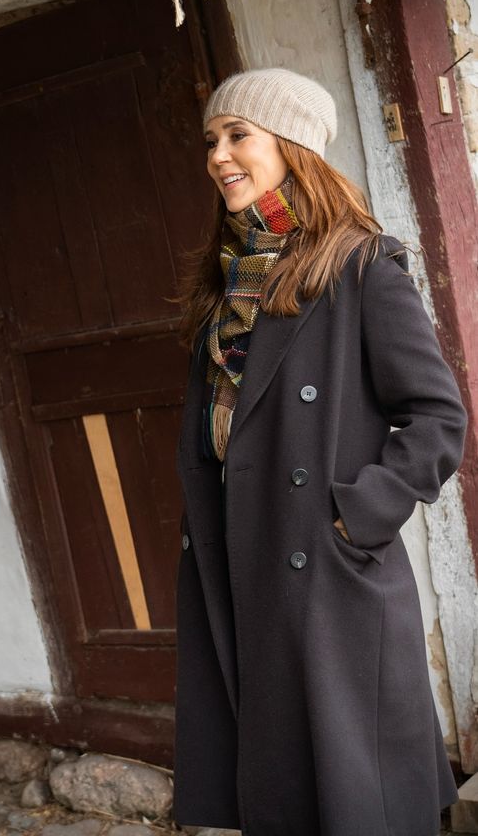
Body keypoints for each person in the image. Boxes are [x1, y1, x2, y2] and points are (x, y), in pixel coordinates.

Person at [173, 69, 466, 836]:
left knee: (354, 797)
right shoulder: (225, 282)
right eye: (211, 140)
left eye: (238, 135)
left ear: (292, 145)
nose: (217, 155)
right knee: (285, 794)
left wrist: (354, 518)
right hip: (245, 557)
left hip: (325, 567)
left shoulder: (360, 267)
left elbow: (436, 417)